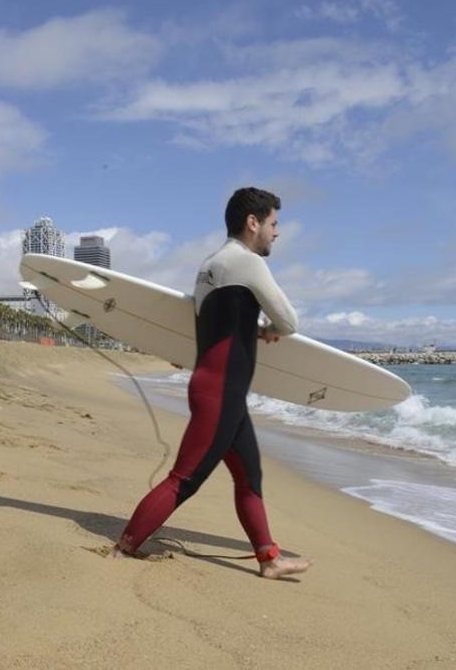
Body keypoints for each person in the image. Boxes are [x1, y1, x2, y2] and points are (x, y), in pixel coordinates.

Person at [111, 187, 314, 579]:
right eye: (273, 224)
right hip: (221, 393)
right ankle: (124, 548)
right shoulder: (247, 262)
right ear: (252, 223)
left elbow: (214, 322)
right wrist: (271, 329)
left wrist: (252, 327)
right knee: (184, 479)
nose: (277, 233)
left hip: (218, 389)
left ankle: (269, 559)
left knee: (249, 478)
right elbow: (289, 321)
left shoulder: (209, 266)